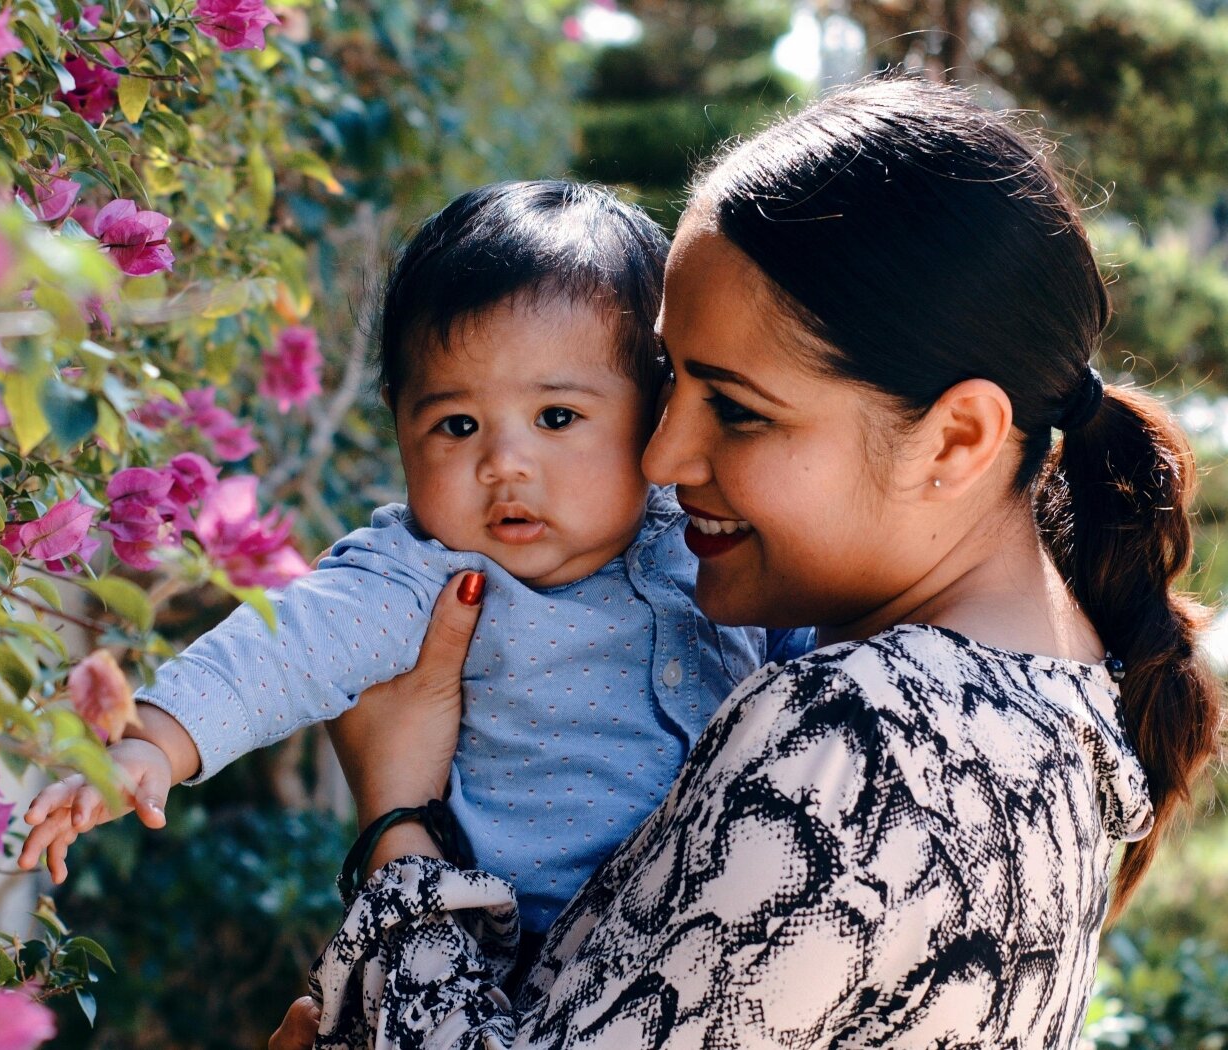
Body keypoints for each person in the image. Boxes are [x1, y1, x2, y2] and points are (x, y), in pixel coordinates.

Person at [283, 77, 1223, 1049]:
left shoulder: (864, 737)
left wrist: (400, 817)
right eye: (665, 382)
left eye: (735, 408)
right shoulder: (1054, 704)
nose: (659, 459)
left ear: (954, 440)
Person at [15, 181, 813, 947]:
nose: (505, 462)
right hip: (516, 953)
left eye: (557, 417)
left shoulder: (707, 540)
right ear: (401, 426)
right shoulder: (418, 577)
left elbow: (813, 655)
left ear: (656, 412)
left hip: (716, 930)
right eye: (458, 425)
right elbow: (282, 647)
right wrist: (155, 740)